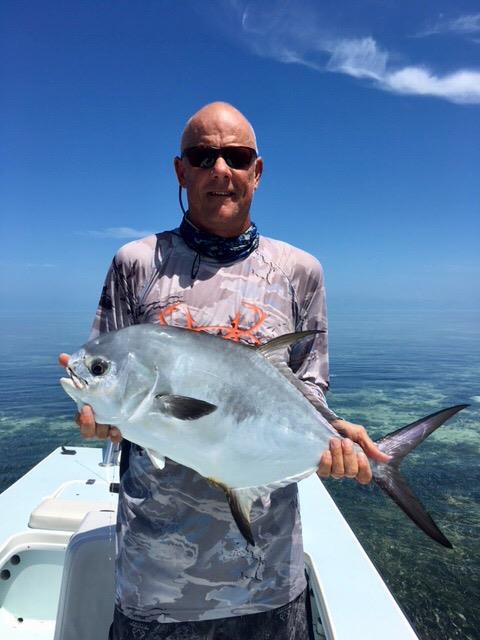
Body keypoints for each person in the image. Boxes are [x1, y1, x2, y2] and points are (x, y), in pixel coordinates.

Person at [59, 102, 390, 640]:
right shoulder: (136, 264)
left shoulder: (299, 271)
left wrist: (333, 437)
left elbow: (307, 389)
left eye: (236, 157)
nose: (220, 170)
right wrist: (97, 417)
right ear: (180, 170)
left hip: (269, 573)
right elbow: (109, 379)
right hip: (155, 578)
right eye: (202, 155)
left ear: (257, 172)